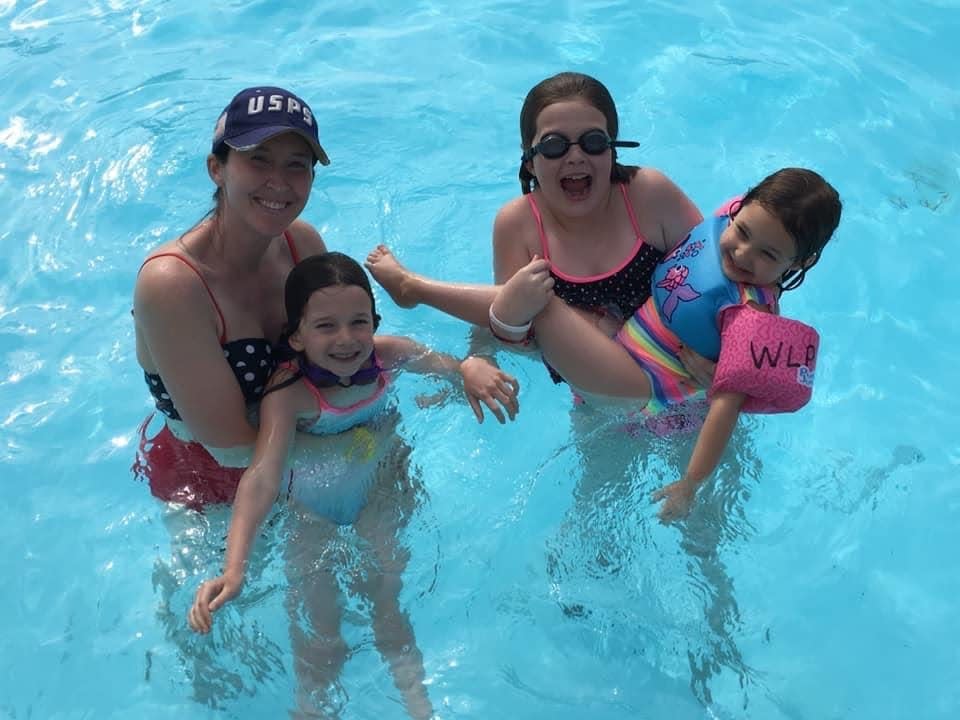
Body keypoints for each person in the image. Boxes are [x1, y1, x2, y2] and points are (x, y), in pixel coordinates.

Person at [133, 85, 516, 510]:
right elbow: (231, 446)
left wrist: (453, 371)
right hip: (210, 490)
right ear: (216, 169)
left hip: (320, 452)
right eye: (258, 160)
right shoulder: (172, 284)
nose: (278, 182)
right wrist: (368, 444)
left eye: (297, 165)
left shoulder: (300, 243)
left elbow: (348, 345)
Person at [187, 252, 520, 719]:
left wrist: (470, 368)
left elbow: (451, 368)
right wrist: (235, 568)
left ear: (375, 321)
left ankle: (420, 708)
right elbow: (262, 475)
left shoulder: (392, 354)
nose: (346, 339)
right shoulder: (290, 395)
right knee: (319, 629)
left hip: (382, 493)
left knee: (388, 607)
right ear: (297, 336)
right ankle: (311, 710)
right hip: (311, 509)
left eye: (358, 322)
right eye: (325, 326)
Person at [489, 167, 842, 521]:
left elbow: (725, 409)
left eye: (768, 254)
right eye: (743, 231)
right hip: (611, 383)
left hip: (669, 415)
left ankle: (706, 560)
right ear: (740, 206)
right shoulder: (732, 218)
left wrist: (690, 483)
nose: (742, 254)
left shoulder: (749, 315)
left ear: (800, 262)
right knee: (594, 494)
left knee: (699, 516)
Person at [365, 70, 710, 386]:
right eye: (554, 146)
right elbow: (509, 321)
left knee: (533, 300)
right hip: (597, 390)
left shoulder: (649, 195)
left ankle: (415, 288)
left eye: (592, 141)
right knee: (531, 299)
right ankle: (411, 288)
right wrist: (479, 359)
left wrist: (725, 357)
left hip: (690, 370)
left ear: (612, 150)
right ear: (529, 158)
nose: (575, 156)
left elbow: (725, 275)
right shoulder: (519, 225)